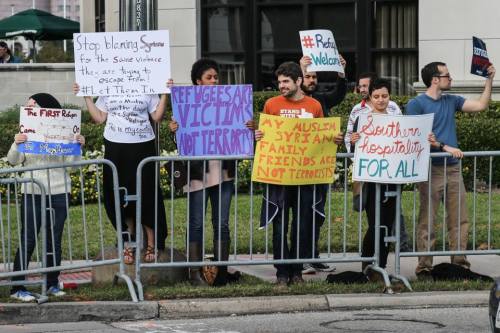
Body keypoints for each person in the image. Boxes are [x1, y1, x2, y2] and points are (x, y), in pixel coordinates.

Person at [406, 61, 496, 279]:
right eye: (447, 75)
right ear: (435, 79)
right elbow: (413, 137)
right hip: (430, 169)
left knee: (459, 219)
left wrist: (489, 80)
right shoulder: (416, 104)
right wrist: (443, 146)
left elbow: (481, 105)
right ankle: (424, 267)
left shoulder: (451, 100)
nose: (451, 78)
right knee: (428, 219)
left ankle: (460, 264)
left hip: (453, 168)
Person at [169, 58, 253, 286]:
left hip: (224, 171)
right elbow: (182, 143)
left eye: (216, 77)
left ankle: (220, 272)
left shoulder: (230, 104)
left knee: (222, 222)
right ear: (198, 82)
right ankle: (195, 273)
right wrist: (175, 130)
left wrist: (248, 128)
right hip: (197, 173)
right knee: (196, 222)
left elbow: (240, 131)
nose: (215, 81)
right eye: (209, 78)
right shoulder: (187, 106)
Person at [73, 80, 170, 265]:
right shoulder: (109, 84)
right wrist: (86, 95)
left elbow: (157, 116)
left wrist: (165, 92)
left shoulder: (147, 85)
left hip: (143, 145)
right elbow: (100, 118)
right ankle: (128, 243)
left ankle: (152, 243)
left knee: (147, 193)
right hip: (116, 147)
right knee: (122, 195)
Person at [8, 93, 85, 301]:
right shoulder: (26, 132)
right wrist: (16, 143)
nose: (28, 110)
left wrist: (77, 145)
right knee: (29, 238)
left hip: (59, 191)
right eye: (27, 107)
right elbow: (13, 161)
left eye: (32, 106)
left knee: (54, 239)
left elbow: (73, 163)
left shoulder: (63, 131)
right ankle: (17, 287)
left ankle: (51, 283)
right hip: (32, 191)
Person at [255, 61, 324, 286]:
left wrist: (332, 139)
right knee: (280, 225)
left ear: (298, 81)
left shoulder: (314, 106)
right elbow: (265, 137)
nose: (281, 85)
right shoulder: (271, 104)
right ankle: (281, 273)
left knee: (301, 226)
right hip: (279, 177)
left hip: (305, 177)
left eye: (286, 81)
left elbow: (321, 137)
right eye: (280, 81)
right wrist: (258, 136)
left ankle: (297, 271)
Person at [345, 72, 410, 252]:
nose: (381, 100)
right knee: (375, 224)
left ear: (390, 96)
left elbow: (405, 145)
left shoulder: (397, 120)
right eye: (376, 96)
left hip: (391, 178)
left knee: (388, 224)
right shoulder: (361, 119)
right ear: (370, 98)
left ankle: (380, 265)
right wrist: (354, 140)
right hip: (371, 179)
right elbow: (354, 151)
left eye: (384, 96)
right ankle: (368, 262)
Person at [299, 55, 347, 274]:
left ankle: (313, 256)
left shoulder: (321, 100)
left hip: (320, 165)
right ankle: (300, 258)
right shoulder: (294, 102)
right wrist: (302, 66)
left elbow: (339, 93)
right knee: (302, 213)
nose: (311, 80)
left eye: (314, 76)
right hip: (297, 168)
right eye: (307, 76)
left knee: (318, 212)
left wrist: (341, 73)